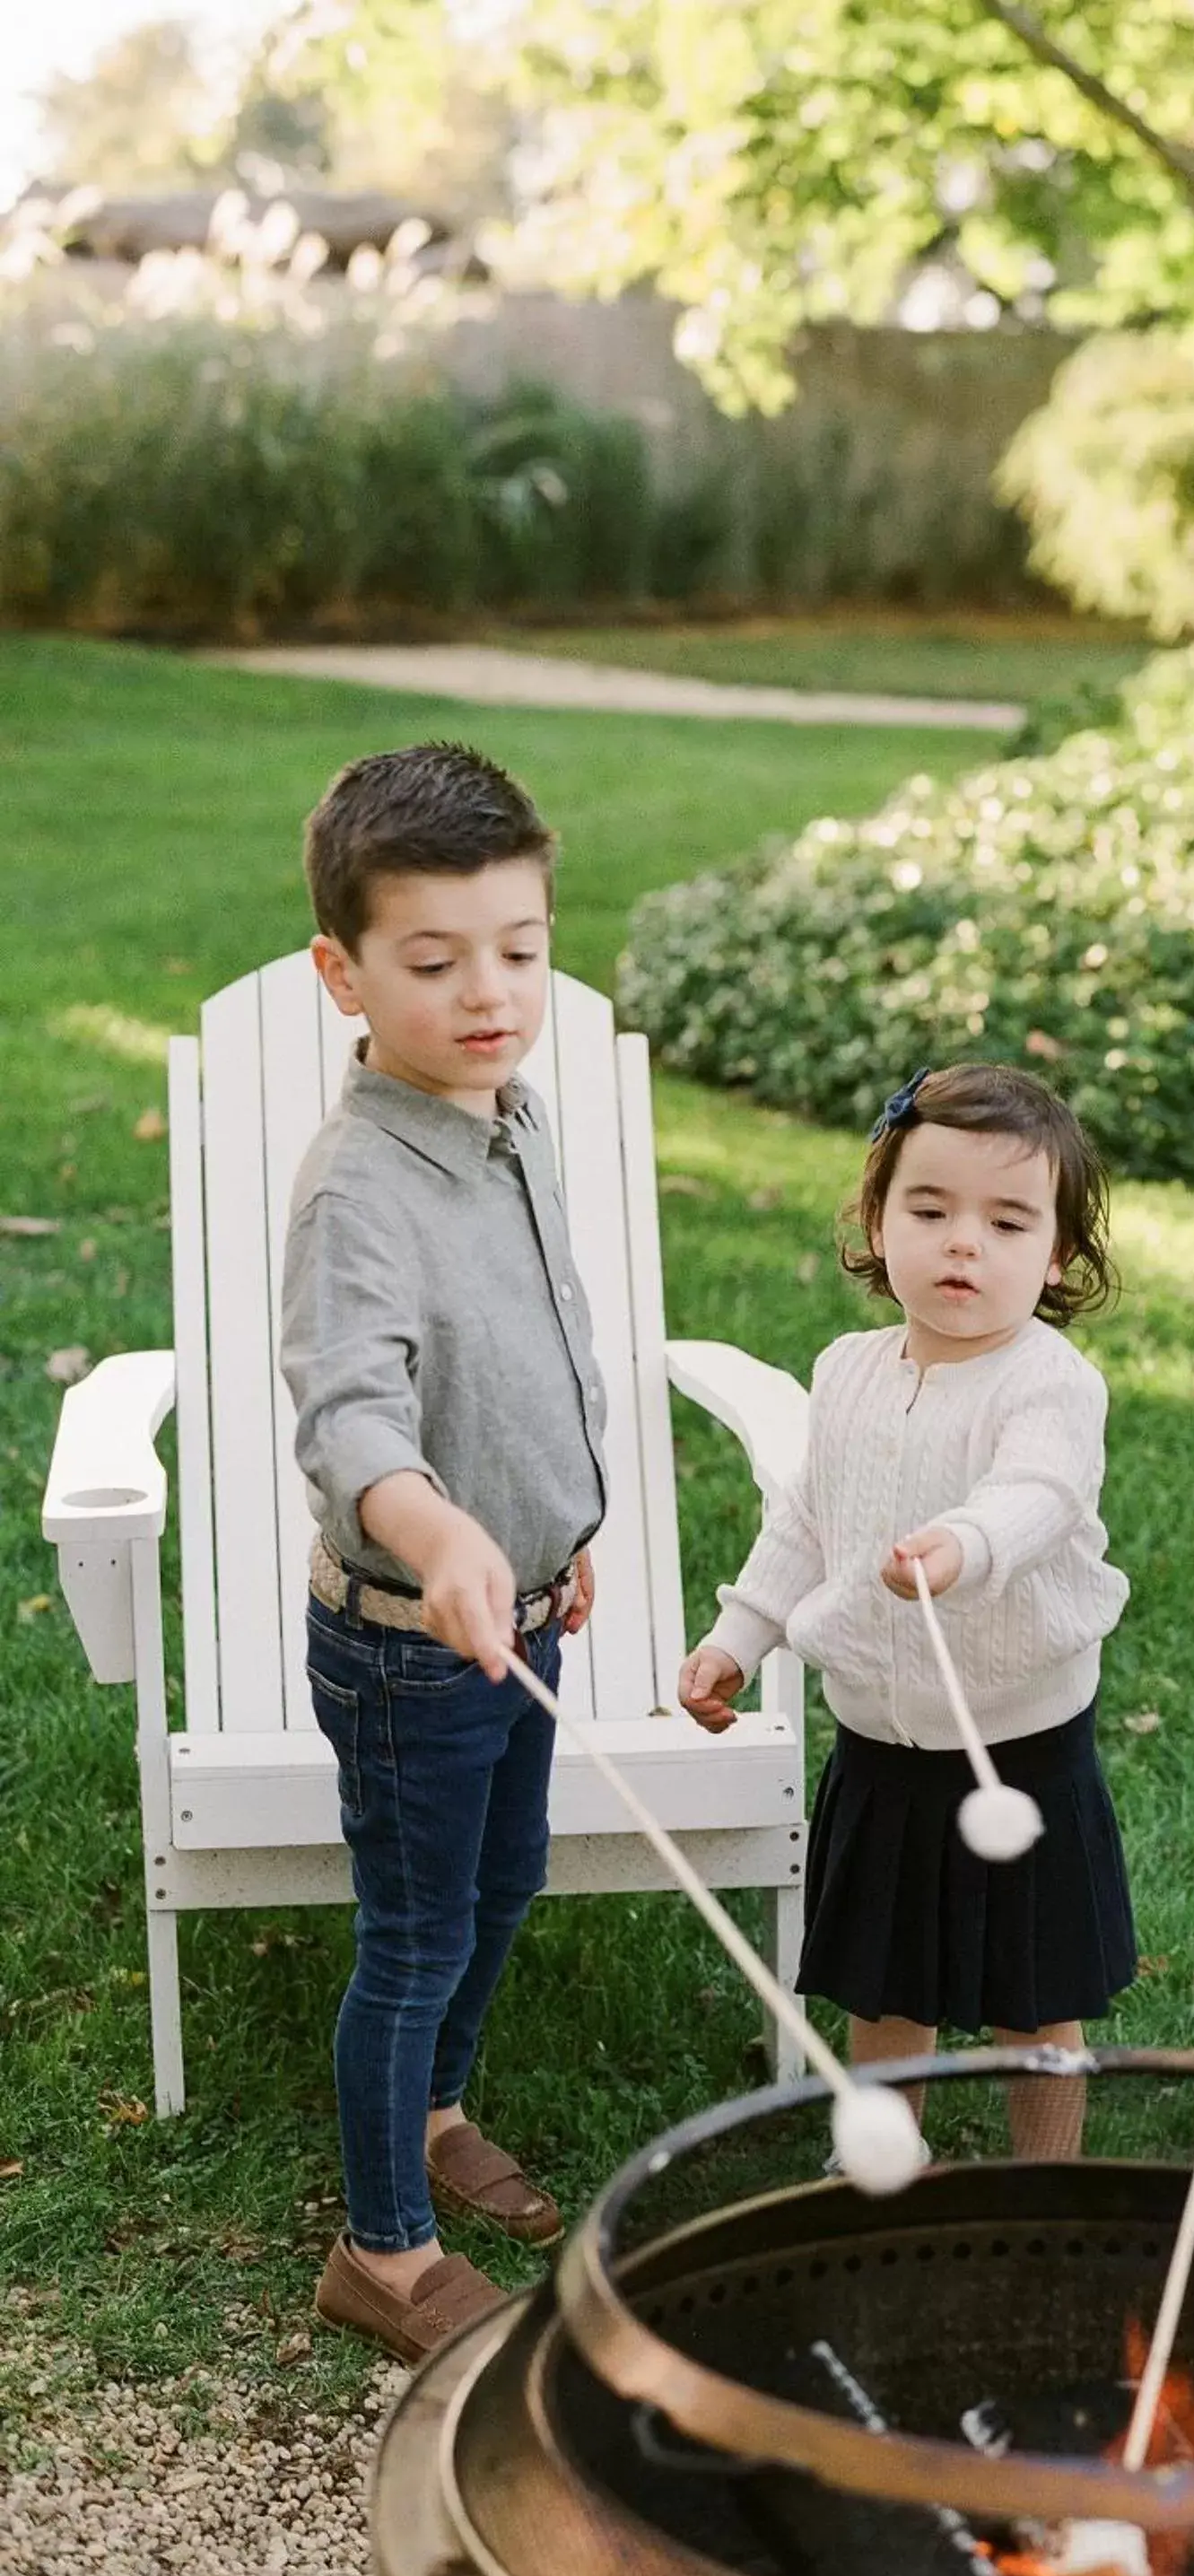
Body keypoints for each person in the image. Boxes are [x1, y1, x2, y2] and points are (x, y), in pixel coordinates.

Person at [281, 740, 606, 2360]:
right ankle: (383, 2250)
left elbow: (539, 1342)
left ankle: (435, 2111)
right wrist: (445, 1530)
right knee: (416, 1930)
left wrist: (561, 1528)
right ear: (342, 970)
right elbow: (350, 1415)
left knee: (506, 1881)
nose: (490, 990)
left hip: (521, 1606)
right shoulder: (360, 1188)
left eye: (522, 949)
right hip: (413, 1632)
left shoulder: (515, 1115)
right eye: (434, 960)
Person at [678, 1063, 1137, 2161]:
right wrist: (741, 1633)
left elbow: (1039, 1493)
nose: (963, 1242)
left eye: (1007, 1220)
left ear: (1058, 1254)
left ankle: (1049, 2178)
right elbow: (804, 1520)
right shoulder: (847, 1371)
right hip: (881, 1739)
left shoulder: (1049, 1384)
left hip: (1017, 1744)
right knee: (887, 1984)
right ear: (878, 1224)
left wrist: (964, 1544)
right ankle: (881, 2154)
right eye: (929, 1210)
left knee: (1036, 1993)